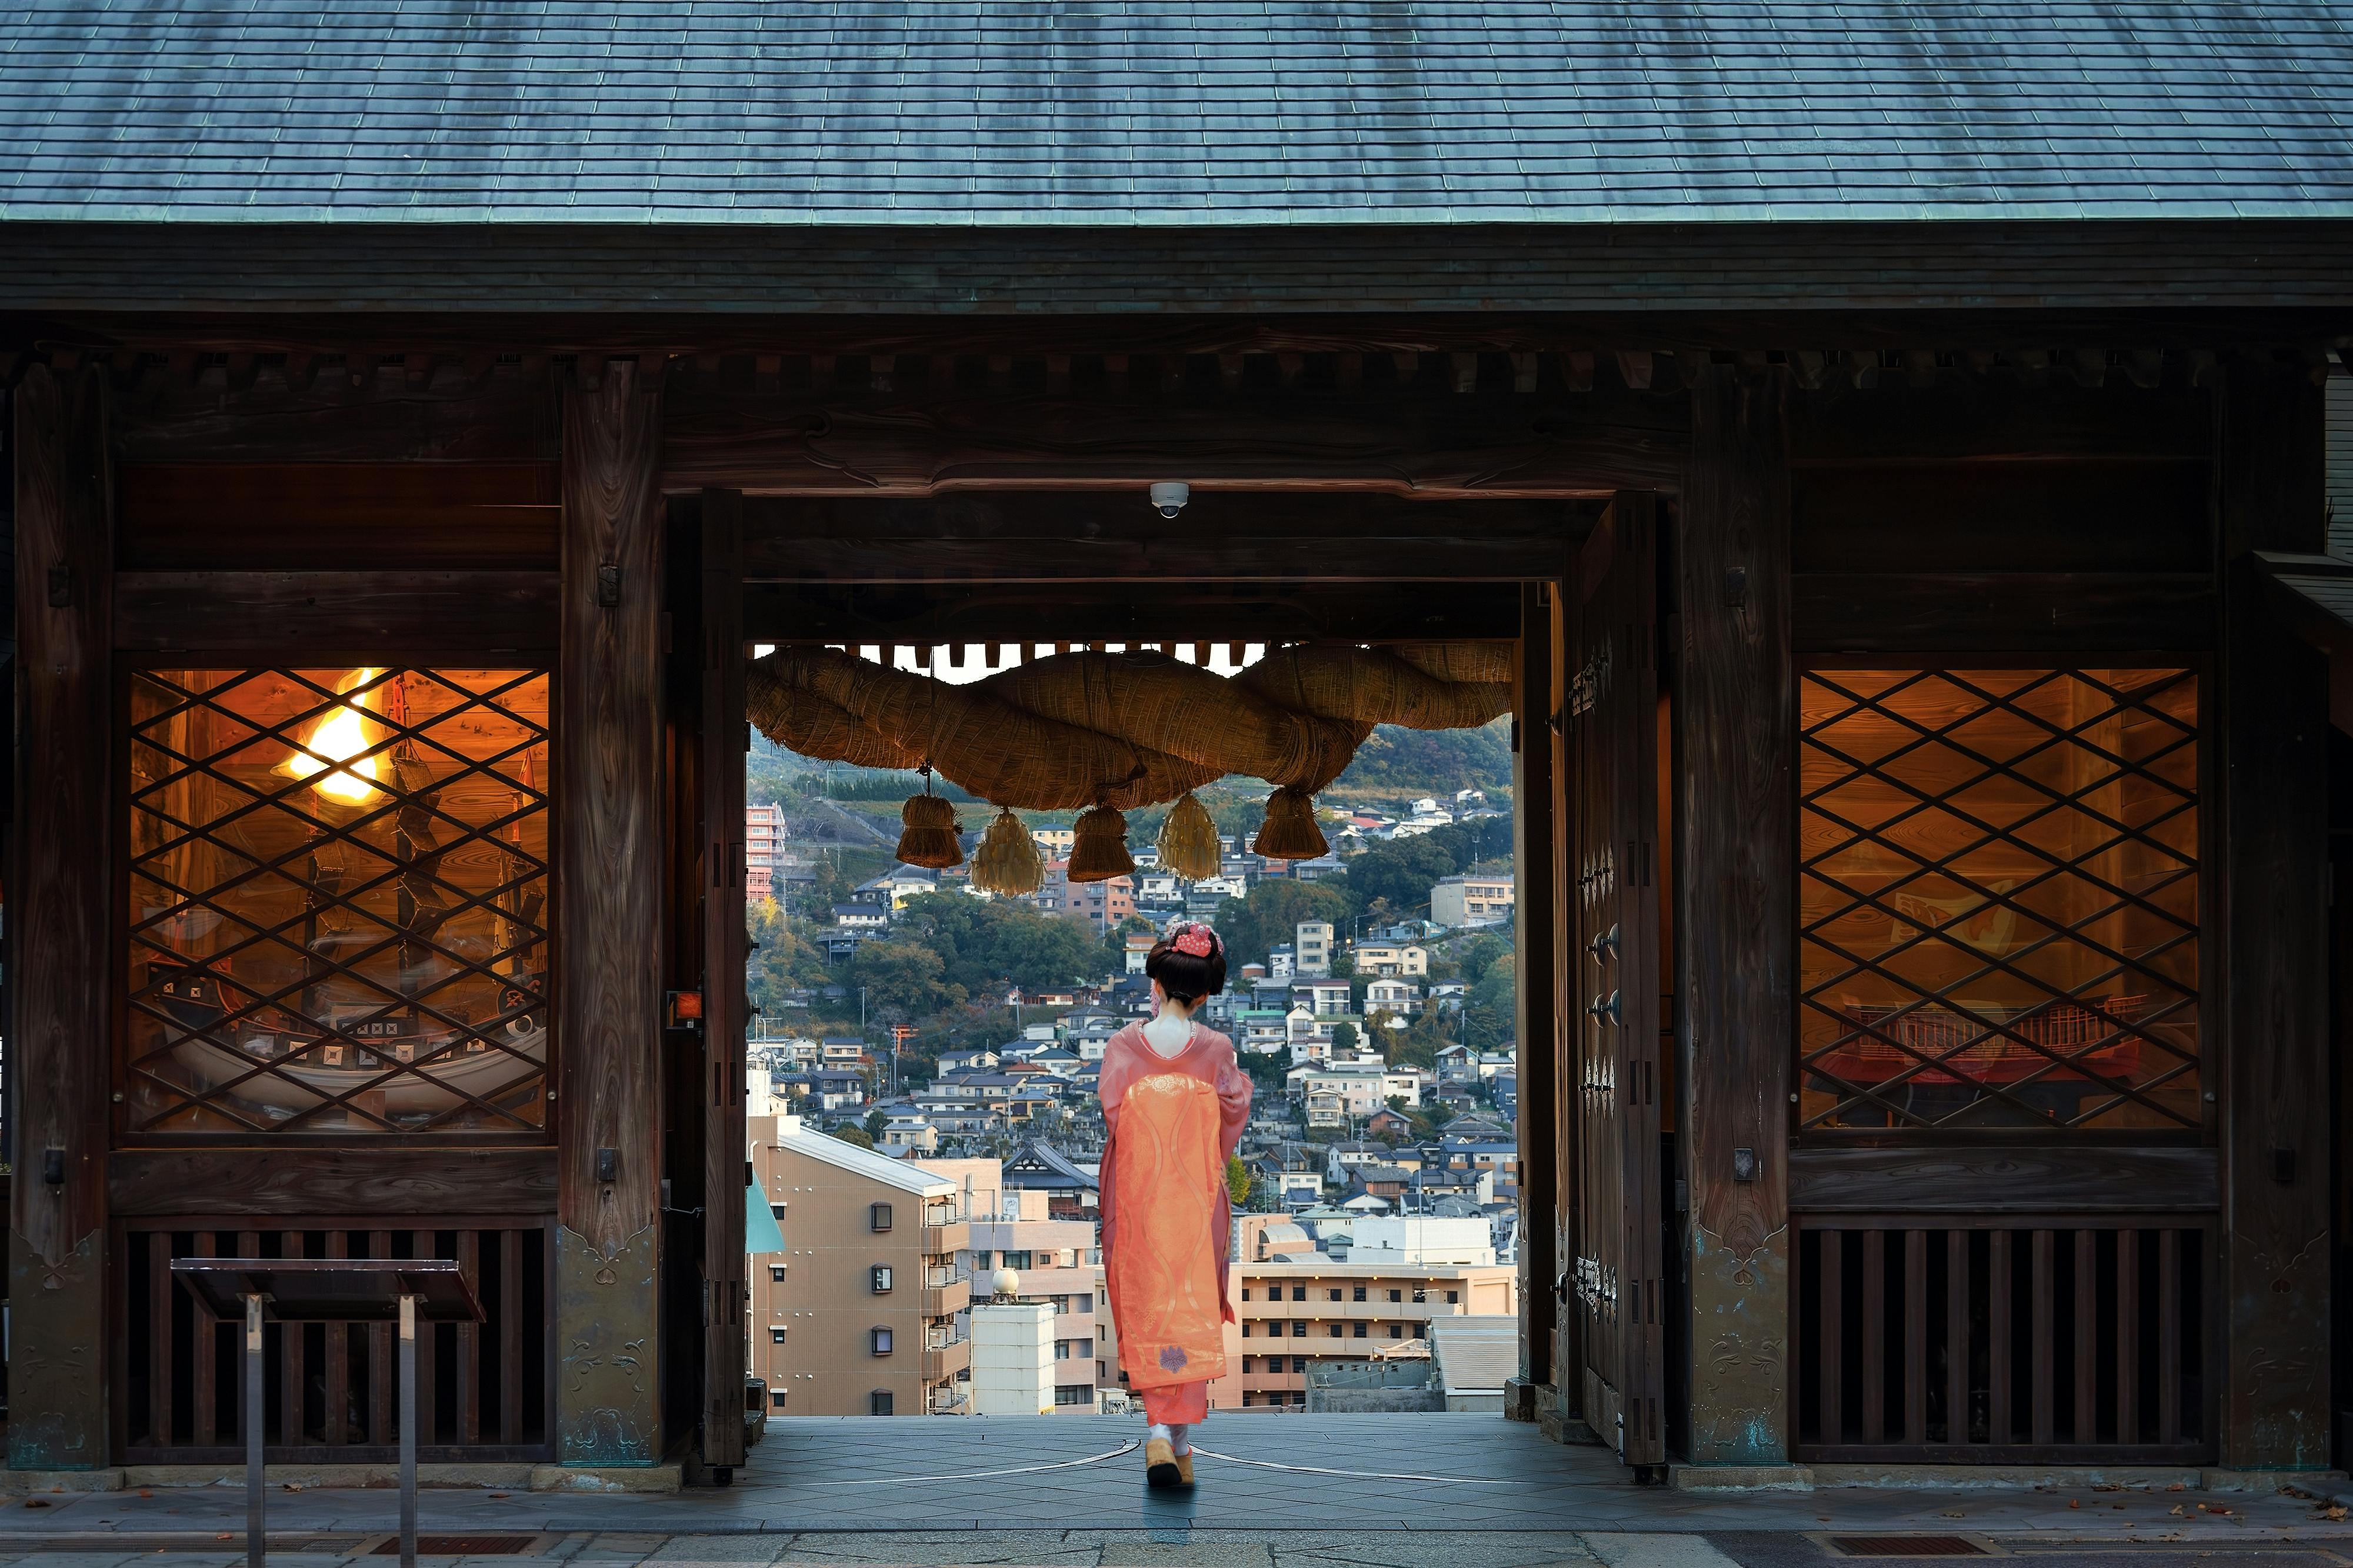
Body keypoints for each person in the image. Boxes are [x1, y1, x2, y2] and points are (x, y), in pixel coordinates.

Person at [1097, 919, 1251, 1489]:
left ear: (1153, 984)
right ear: (1206, 993)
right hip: (1196, 1197)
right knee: (1190, 1306)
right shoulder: (1215, 1048)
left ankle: (1166, 1434)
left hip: (1137, 1197)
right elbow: (1231, 1112)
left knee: (1144, 1304)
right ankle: (1173, 1435)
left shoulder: (1121, 1046)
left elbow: (1117, 1115)